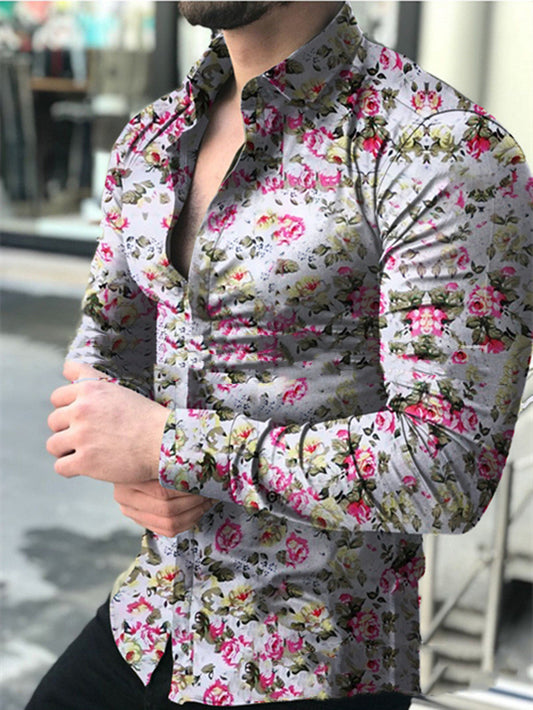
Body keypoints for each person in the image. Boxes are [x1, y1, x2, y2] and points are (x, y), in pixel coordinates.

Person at [28, 2, 532, 708]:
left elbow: (445, 465)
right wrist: (127, 465)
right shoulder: (153, 136)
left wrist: (168, 445)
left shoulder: (442, 149)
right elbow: (105, 356)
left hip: (314, 659)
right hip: (151, 621)